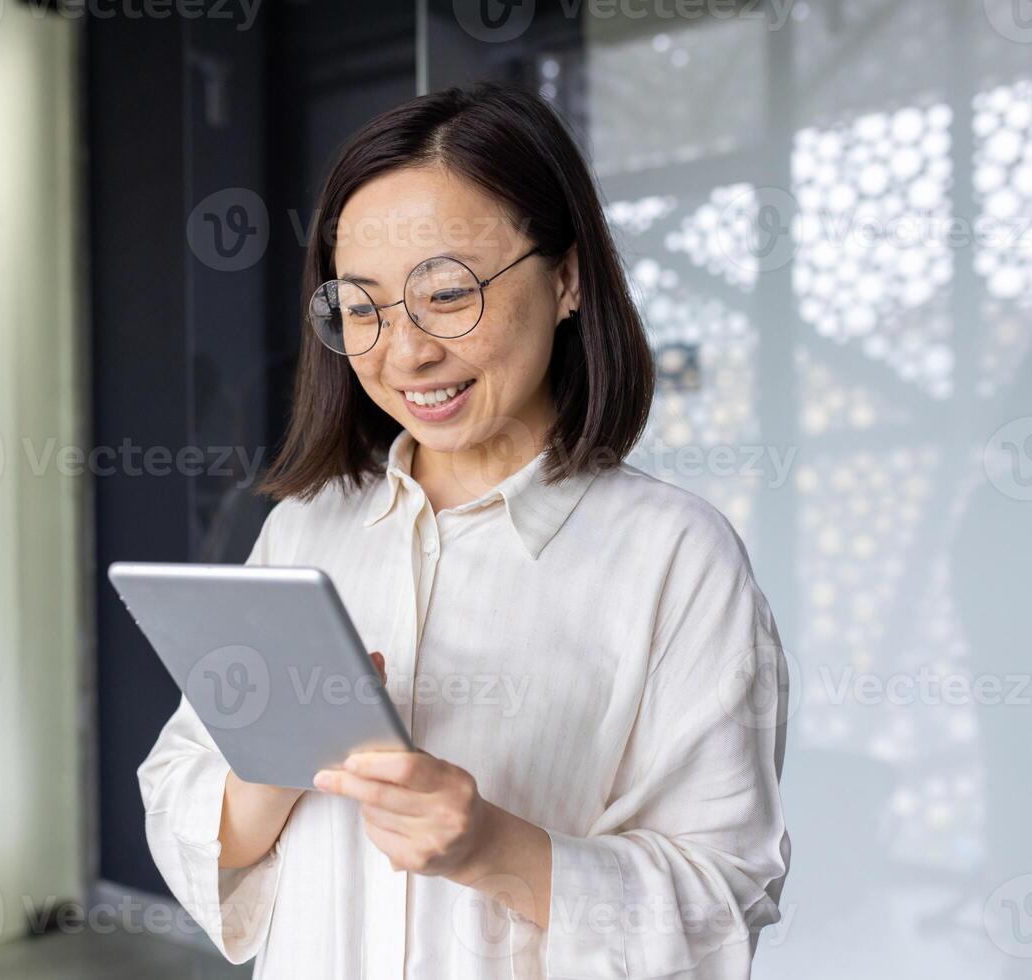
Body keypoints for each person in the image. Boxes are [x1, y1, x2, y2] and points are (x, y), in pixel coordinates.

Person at [138, 82, 790, 979]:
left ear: (565, 279)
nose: (405, 353)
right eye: (361, 307)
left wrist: (493, 849)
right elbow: (181, 791)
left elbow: (724, 898)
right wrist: (276, 765)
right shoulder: (306, 529)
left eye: (447, 294)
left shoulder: (674, 558)